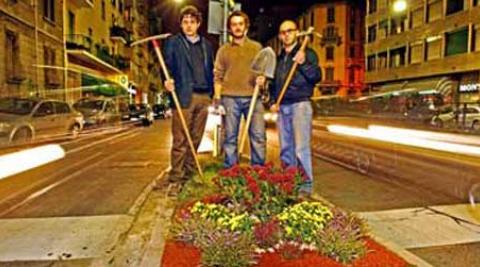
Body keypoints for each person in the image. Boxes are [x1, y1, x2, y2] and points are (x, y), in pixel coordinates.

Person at [162, 5, 214, 186]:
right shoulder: (174, 42)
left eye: (192, 22)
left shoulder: (207, 45)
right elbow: (166, 66)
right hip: (183, 95)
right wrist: (166, 80)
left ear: (198, 23)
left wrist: (212, 94)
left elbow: (210, 69)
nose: (189, 25)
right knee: (180, 139)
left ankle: (189, 172)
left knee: (196, 138)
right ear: (181, 25)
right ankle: (176, 176)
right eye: (185, 22)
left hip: (204, 96)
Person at [270, 20, 322, 195]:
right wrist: (272, 101)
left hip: (300, 104)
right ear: (280, 36)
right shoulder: (279, 59)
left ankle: (305, 187)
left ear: (297, 33)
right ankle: (289, 183)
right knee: (285, 148)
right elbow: (274, 83)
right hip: (282, 106)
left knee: (301, 148)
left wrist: (304, 62)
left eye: (289, 31)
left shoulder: (307, 53)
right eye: (283, 32)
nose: (286, 34)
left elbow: (316, 76)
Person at [213, 11, 266, 168]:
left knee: (258, 136)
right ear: (230, 28)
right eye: (234, 24)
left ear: (246, 27)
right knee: (230, 137)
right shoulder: (223, 50)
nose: (237, 27)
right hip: (229, 98)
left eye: (240, 24)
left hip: (253, 97)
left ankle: (258, 171)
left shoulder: (257, 48)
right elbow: (218, 75)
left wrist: (262, 80)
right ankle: (231, 172)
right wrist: (218, 100)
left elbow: (263, 72)